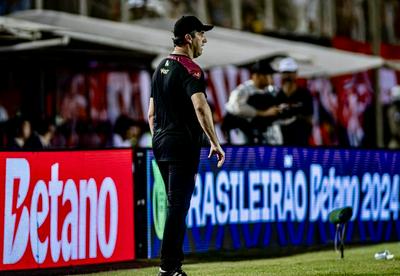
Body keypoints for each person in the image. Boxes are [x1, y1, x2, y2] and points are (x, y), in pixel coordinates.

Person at [148, 15, 225, 276]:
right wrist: (215, 142)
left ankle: (171, 266)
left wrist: (160, 137)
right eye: (201, 34)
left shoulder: (160, 67)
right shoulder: (190, 68)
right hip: (182, 145)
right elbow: (201, 106)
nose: (205, 39)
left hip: (160, 143)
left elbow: (151, 113)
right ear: (189, 38)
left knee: (175, 204)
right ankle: (168, 268)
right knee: (178, 206)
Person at [222, 59, 283, 144]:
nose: (270, 78)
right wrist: (263, 113)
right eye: (267, 75)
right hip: (241, 130)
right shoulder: (243, 90)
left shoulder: (272, 91)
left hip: (263, 132)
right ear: (256, 76)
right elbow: (237, 108)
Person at [276, 57, 313, 146]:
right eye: (285, 72)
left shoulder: (305, 94)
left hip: (300, 142)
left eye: (290, 72)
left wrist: (295, 115)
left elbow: (310, 118)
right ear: (280, 74)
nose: (288, 75)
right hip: (281, 142)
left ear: (296, 73)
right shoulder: (276, 95)